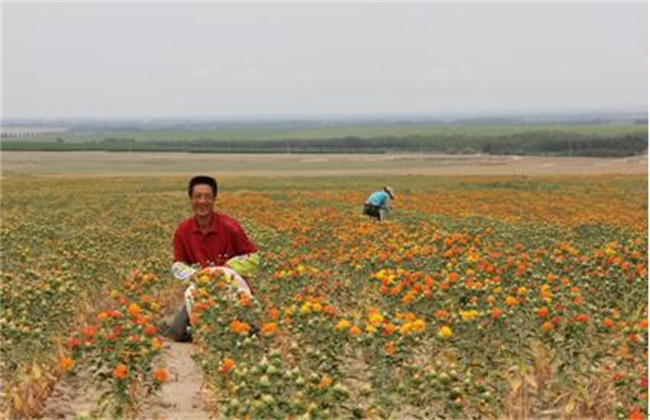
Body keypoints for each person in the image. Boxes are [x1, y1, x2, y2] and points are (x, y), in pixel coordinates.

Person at [165, 175, 259, 342]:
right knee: (176, 332)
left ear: (214, 199)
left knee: (249, 332)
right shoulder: (183, 230)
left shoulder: (230, 226)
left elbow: (253, 257)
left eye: (207, 196)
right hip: (201, 292)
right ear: (190, 199)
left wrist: (229, 268)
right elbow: (178, 264)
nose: (202, 201)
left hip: (233, 290)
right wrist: (196, 275)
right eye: (197, 196)